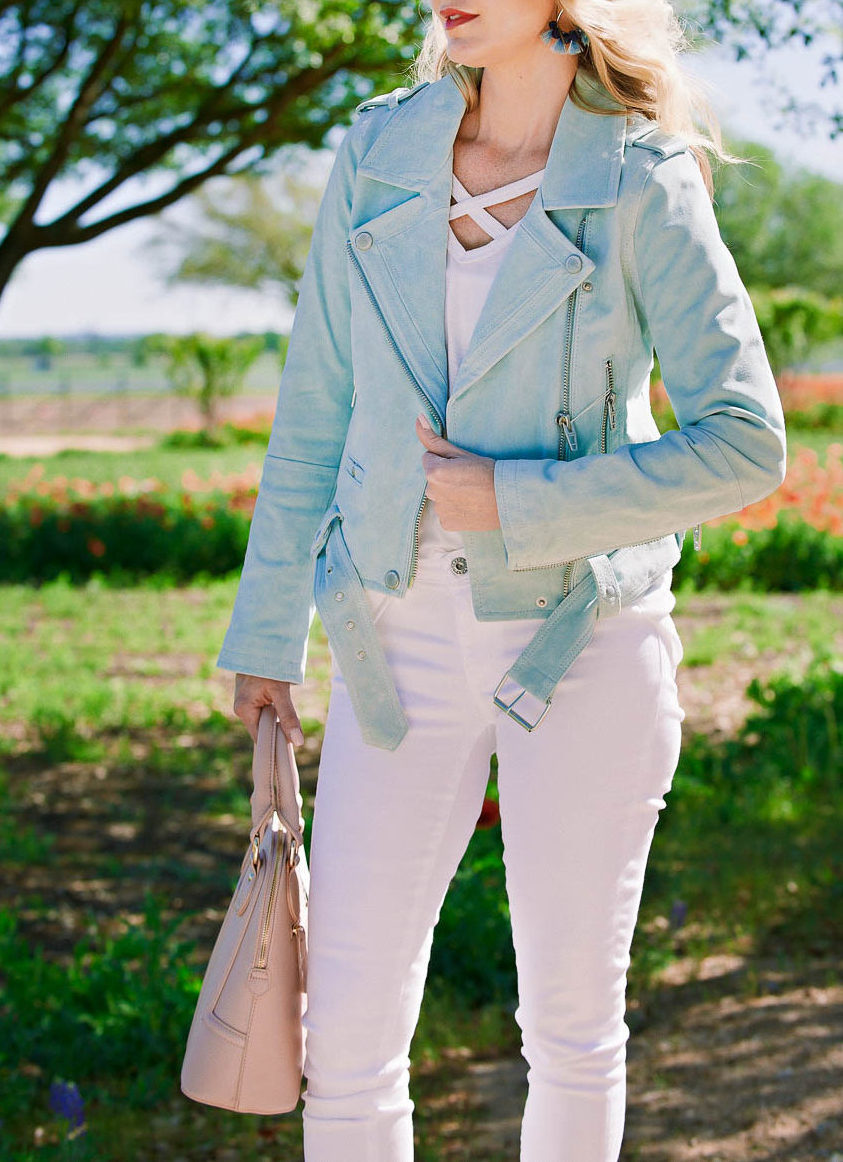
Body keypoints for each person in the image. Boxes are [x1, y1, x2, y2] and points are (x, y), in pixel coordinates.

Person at [215, 1, 787, 1158]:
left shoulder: (638, 176)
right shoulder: (379, 147)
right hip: (391, 637)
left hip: (582, 641)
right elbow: (315, 406)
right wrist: (265, 627)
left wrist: (520, 499)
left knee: (572, 1030)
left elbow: (746, 440)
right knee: (346, 1040)